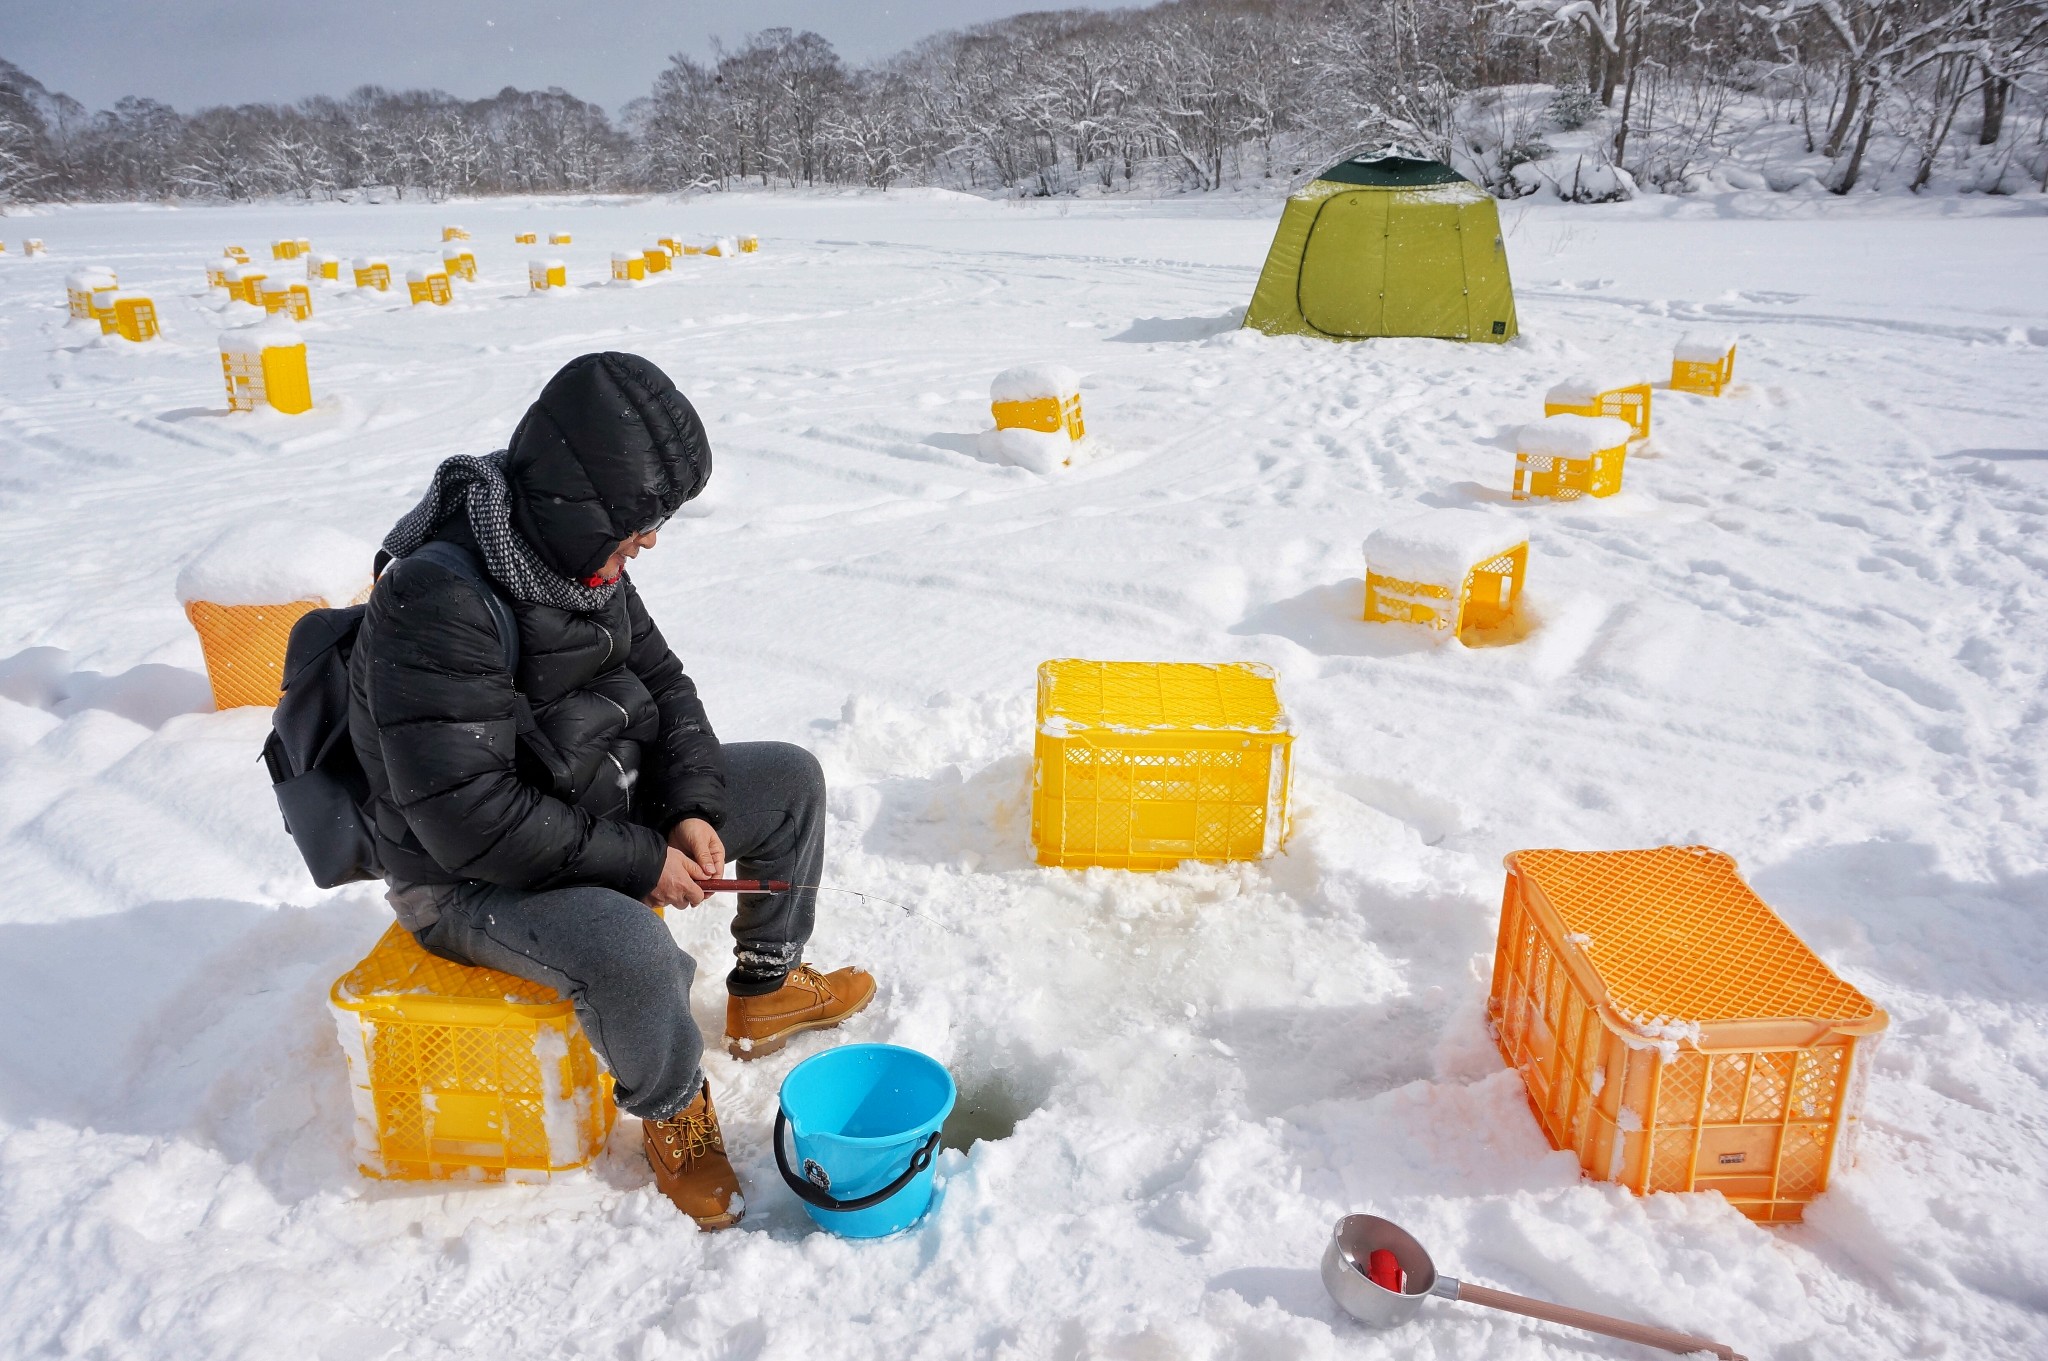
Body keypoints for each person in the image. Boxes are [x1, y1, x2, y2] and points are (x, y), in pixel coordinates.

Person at [346, 351, 872, 1229]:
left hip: (578, 804)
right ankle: (672, 1111)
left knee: (788, 779)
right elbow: (470, 821)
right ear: (576, 504)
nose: (651, 541)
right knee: (630, 946)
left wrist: (693, 806)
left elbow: (664, 685)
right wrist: (643, 860)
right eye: (641, 522)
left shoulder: (574, 559)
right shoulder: (437, 600)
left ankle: (766, 987)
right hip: (468, 878)